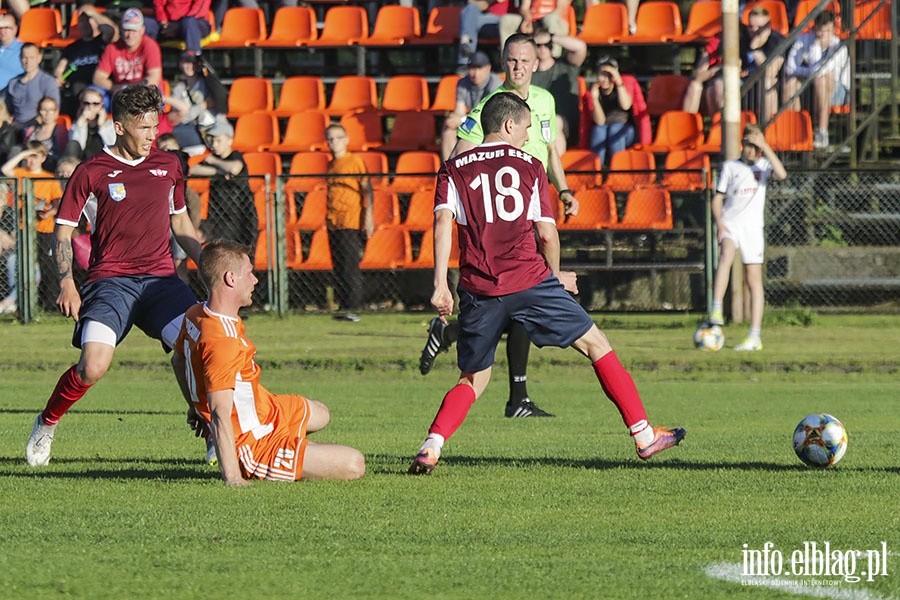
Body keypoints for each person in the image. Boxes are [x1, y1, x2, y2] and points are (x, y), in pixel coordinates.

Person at [407, 92, 685, 475]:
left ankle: (431, 445)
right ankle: (643, 435)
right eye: (525, 127)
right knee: (596, 344)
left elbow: (441, 224)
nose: (527, 136)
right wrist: (555, 279)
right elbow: (547, 235)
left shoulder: (453, 168)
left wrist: (440, 284)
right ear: (508, 125)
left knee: (472, 379)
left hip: (479, 287)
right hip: (530, 280)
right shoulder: (532, 165)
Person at [24, 84, 203, 467]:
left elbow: (182, 222)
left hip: (161, 282)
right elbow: (63, 232)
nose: (151, 136)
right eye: (144, 129)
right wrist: (68, 282)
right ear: (120, 127)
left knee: (201, 349)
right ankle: (46, 422)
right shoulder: (90, 172)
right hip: (111, 283)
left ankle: (208, 424)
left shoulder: (169, 166)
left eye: (155, 127)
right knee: (92, 366)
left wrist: (209, 266)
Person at [421, 33, 579, 420]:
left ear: (536, 63)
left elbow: (550, 150)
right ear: (504, 63)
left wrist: (565, 188)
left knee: (517, 302)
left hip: (535, 204)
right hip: (507, 215)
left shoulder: (544, 101)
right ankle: (517, 397)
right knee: (524, 296)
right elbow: (459, 157)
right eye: (512, 61)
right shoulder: (491, 107)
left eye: (525, 60)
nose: (519, 67)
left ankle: (460, 341)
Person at [172, 239, 366, 485]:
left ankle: (295, 448)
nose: (255, 280)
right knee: (354, 464)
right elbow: (220, 411)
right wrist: (232, 477)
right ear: (231, 279)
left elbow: (178, 361)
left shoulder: (197, 313)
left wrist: (195, 407)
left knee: (321, 413)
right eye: (250, 273)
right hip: (253, 443)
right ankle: (277, 457)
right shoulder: (222, 341)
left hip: (266, 409)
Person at [708, 124, 787, 351]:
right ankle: (716, 310)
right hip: (731, 224)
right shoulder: (731, 166)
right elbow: (717, 198)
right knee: (726, 254)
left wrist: (765, 146)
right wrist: (720, 223)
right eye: (748, 144)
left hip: (753, 228)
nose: (751, 150)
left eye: (755, 146)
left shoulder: (764, 166)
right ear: (742, 144)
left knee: (753, 280)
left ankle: (754, 336)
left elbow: (782, 174)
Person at [1, 141, 64, 311]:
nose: (31, 161)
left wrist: (49, 212)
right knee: (19, 263)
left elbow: (58, 203)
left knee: (46, 266)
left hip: (44, 228)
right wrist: (23, 154)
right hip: (23, 229)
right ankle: (20, 304)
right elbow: (6, 170)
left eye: (35, 157)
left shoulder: (50, 179)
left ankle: (50, 306)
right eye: (29, 158)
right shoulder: (21, 173)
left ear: (43, 158)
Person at [323, 123, 374, 320]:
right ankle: (343, 305)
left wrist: (368, 218)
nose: (333, 142)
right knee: (339, 266)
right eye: (330, 138)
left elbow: (366, 189)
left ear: (346, 140)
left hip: (350, 220)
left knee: (350, 266)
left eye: (337, 138)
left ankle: (353, 308)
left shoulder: (354, 161)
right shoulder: (331, 165)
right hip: (334, 221)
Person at [189, 116, 257, 257]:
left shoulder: (235, 156)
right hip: (219, 216)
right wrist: (219, 172)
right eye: (212, 140)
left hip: (241, 215)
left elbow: (234, 168)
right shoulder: (215, 162)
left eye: (219, 140)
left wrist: (213, 160)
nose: (214, 144)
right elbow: (194, 169)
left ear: (229, 141)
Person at [783, 10, 849, 150]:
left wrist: (816, 47)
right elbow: (789, 68)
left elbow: (820, 71)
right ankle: (793, 130)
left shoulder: (839, 46)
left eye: (828, 31)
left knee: (823, 78)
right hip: (810, 85)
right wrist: (808, 72)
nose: (824, 34)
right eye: (821, 30)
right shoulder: (803, 40)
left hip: (837, 90)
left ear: (834, 30)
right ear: (815, 28)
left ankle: (822, 132)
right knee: (790, 83)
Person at [54, 4, 119, 118]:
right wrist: (58, 75)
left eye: (89, 20)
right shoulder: (72, 47)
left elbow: (112, 30)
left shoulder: (103, 42)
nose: (85, 24)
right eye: (81, 21)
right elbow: (61, 67)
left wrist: (93, 13)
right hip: (76, 95)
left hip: (98, 94)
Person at [530, 23, 587, 154]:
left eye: (547, 45)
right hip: (536, 125)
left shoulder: (566, 65)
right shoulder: (529, 74)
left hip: (567, 124)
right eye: (538, 45)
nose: (543, 48)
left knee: (554, 122)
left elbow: (581, 47)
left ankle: (557, 169)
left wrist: (551, 37)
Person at [579, 56, 651, 158]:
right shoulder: (594, 92)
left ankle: (617, 168)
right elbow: (600, 122)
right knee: (598, 130)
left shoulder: (624, 86)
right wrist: (594, 99)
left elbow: (626, 106)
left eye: (608, 74)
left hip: (625, 130)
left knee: (615, 128)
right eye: (602, 74)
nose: (605, 78)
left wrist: (618, 81)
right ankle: (596, 170)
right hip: (604, 129)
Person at [157, 132, 202, 284]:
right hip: (161, 225)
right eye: (164, 149)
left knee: (179, 263)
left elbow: (194, 207)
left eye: (172, 149)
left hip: (181, 224)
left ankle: (183, 296)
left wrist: (194, 228)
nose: (169, 153)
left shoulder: (185, 185)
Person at [441, 51, 502, 161]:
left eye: (479, 68)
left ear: (488, 68)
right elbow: (460, 110)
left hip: (490, 124)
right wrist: (454, 119)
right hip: (471, 122)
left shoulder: (495, 84)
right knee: (448, 129)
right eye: (472, 68)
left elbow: (490, 115)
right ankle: (450, 171)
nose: (475, 73)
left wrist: (461, 120)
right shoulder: (463, 83)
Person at [92, 9, 163, 98]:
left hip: (143, 91)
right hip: (119, 92)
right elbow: (98, 78)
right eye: (127, 30)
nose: (130, 35)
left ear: (142, 30)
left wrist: (129, 89)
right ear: (121, 29)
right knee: (92, 95)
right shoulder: (112, 48)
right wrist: (116, 88)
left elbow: (153, 79)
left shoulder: (150, 46)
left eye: (134, 30)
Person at [169, 51, 223, 155]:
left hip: (211, 126)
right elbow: (181, 117)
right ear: (180, 64)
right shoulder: (178, 89)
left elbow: (218, 105)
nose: (190, 66)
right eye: (186, 62)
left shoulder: (208, 84)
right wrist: (203, 105)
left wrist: (190, 111)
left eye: (193, 62)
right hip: (189, 128)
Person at [739, 5, 785, 122]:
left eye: (759, 27)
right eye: (751, 26)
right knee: (721, 83)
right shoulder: (744, 39)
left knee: (767, 82)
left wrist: (755, 49)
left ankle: (768, 128)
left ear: (768, 27)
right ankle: (722, 130)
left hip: (772, 85)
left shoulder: (777, 41)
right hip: (747, 83)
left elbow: (770, 72)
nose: (754, 30)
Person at [5, 44, 60, 126]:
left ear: (39, 58)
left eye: (32, 58)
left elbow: (54, 111)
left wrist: (30, 127)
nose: (28, 62)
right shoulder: (13, 83)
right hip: (14, 127)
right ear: (20, 58)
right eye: (25, 58)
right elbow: (8, 111)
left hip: (36, 128)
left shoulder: (48, 82)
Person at [499, 0, 572, 58]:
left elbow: (560, 9)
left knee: (551, 19)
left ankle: (555, 56)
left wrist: (542, 22)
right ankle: (508, 56)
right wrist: (527, 20)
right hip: (534, 20)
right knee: (506, 20)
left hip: (556, 22)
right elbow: (524, 8)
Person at [20, 96, 68, 173]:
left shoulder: (61, 131)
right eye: (44, 110)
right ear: (39, 111)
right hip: (30, 164)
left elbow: (63, 152)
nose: (47, 113)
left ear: (56, 112)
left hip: (50, 165)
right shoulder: (30, 130)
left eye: (51, 110)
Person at [66, 86, 117, 161]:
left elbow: (112, 146)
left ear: (101, 105)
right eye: (86, 103)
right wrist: (80, 123)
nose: (90, 107)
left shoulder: (110, 125)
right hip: (82, 162)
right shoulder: (78, 124)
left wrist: (102, 126)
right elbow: (75, 146)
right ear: (81, 104)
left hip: (104, 162)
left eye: (95, 104)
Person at [457, 0, 507, 73]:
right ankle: (465, 59)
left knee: (469, 18)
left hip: (503, 21)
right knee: (470, 9)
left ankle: (465, 57)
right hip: (483, 20)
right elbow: (474, 3)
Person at [682, 33, 723, 115]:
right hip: (712, 80)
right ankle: (687, 124)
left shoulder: (744, 38)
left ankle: (720, 126)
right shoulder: (717, 40)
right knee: (694, 85)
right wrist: (717, 68)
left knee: (716, 87)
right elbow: (699, 75)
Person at [0, 13, 24, 93]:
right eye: (0, 27)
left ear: (15, 29)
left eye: (7, 27)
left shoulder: (23, 50)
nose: (2, 31)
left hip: (11, 95)